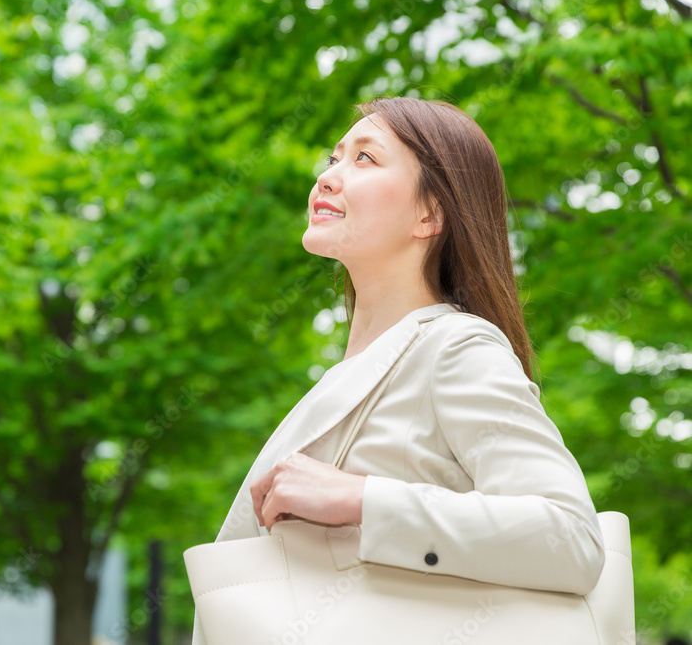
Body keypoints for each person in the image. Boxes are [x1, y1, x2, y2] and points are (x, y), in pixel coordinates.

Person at [190, 96, 606, 644]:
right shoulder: (359, 370)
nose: (328, 176)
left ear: (429, 214)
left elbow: (572, 537)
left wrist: (361, 499)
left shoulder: (456, 347)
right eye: (334, 157)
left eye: (365, 159)